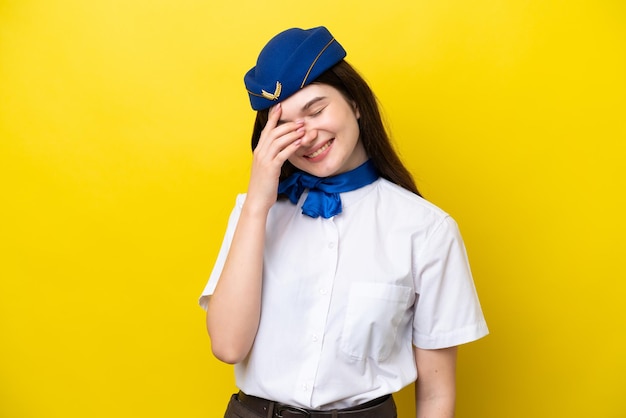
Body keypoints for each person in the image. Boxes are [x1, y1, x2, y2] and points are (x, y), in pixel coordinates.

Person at [199, 26, 488, 418]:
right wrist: (257, 205)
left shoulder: (426, 230)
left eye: (316, 110)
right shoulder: (253, 214)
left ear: (355, 103)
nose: (305, 135)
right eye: (284, 125)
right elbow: (228, 347)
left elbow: (436, 394)